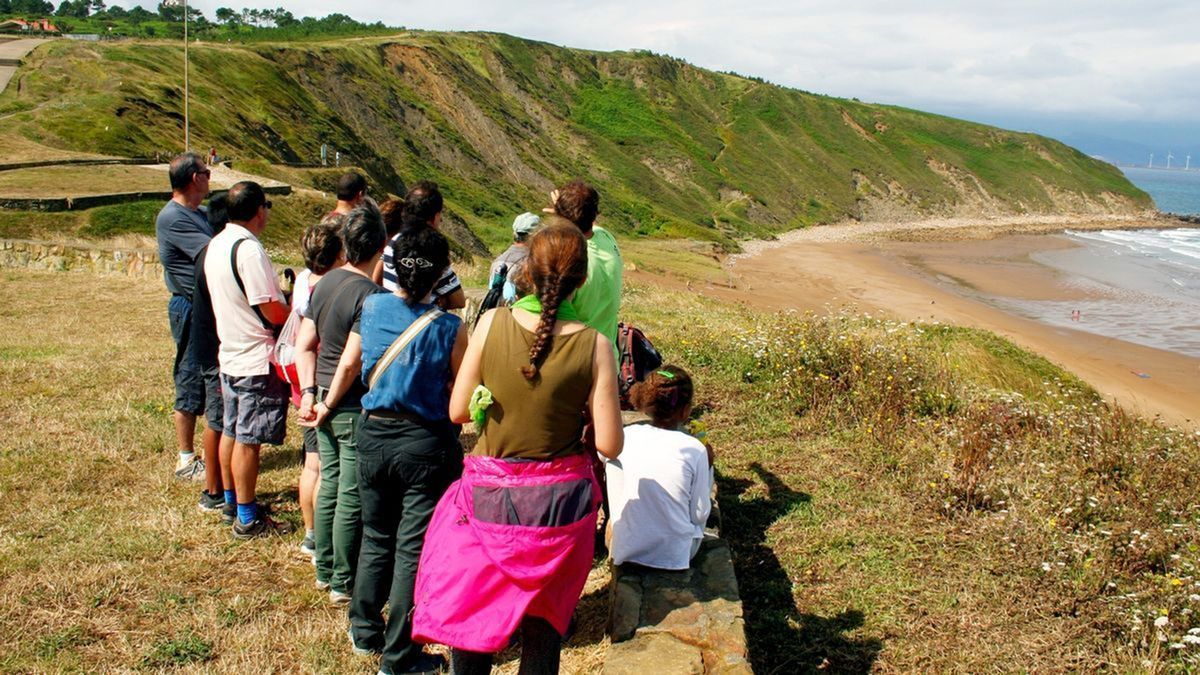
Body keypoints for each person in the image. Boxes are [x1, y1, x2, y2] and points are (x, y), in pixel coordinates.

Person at [412, 223, 623, 675]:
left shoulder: (491, 324)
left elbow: (457, 412)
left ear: (527, 270)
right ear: (582, 281)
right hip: (559, 509)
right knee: (543, 634)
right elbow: (609, 443)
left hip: (491, 500)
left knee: (474, 619)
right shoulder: (597, 345)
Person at [345, 226, 467, 675]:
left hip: (373, 434)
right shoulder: (451, 328)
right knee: (412, 550)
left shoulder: (372, 307)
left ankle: (363, 629)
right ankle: (399, 656)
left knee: (376, 535)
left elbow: (353, 362)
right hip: (425, 442)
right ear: (441, 275)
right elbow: (461, 388)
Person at [297, 205, 386, 605]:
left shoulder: (325, 283)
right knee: (351, 492)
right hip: (347, 405)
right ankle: (342, 580)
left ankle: (324, 567)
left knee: (330, 484)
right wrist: (330, 402)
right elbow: (352, 360)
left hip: (322, 402)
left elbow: (305, 344)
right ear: (380, 247)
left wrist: (311, 395)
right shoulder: (370, 296)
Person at [204, 181, 292, 539]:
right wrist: (291, 308)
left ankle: (231, 501)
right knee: (248, 440)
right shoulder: (248, 250)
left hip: (230, 351)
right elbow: (270, 310)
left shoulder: (218, 243)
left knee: (231, 430)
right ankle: (247, 516)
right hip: (254, 357)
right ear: (259, 210)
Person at [606, 365, 711, 569]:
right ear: (686, 410)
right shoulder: (694, 449)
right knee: (705, 465)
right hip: (675, 554)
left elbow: (605, 455)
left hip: (626, 547)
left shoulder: (627, 436)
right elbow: (700, 515)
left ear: (644, 402)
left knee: (614, 463)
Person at [155, 151, 214, 481]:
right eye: (206, 172)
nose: (209, 177)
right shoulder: (173, 218)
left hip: (203, 304)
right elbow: (212, 253)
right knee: (190, 375)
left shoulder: (199, 213)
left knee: (207, 375)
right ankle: (186, 459)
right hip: (190, 307)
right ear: (195, 178)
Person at [293, 219, 346, 560]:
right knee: (335, 472)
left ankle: (311, 534)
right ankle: (328, 543)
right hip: (332, 382)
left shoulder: (302, 282)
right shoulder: (339, 288)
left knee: (312, 465)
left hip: (306, 382)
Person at [553, 180, 623, 354]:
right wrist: (563, 213)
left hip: (577, 358)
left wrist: (561, 213)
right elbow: (588, 223)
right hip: (608, 357)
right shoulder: (607, 238)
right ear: (595, 214)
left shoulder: (571, 259)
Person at [373, 181, 466, 311]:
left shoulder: (393, 242)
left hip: (391, 316)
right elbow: (459, 300)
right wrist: (441, 302)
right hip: (425, 324)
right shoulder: (432, 249)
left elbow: (377, 280)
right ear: (435, 217)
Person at [489, 211, 540, 304]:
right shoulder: (532, 262)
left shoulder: (498, 260)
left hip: (496, 313)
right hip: (520, 314)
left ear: (514, 234)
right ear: (534, 236)